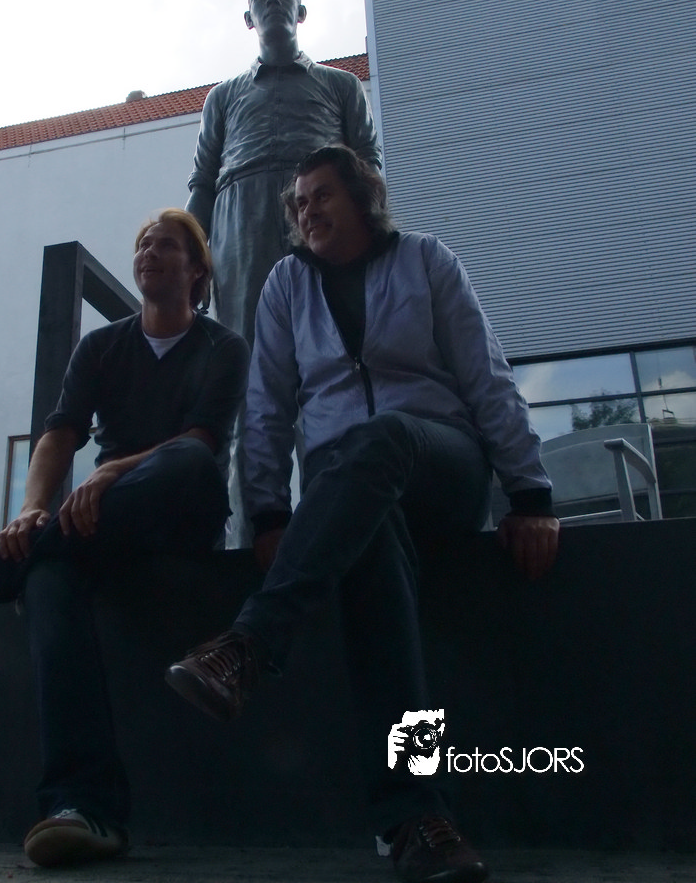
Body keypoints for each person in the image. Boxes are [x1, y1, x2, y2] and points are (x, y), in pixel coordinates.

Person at [166, 147, 560, 883]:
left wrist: (529, 494)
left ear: (362, 197)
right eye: (299, 203)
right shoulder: (285, 284)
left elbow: (486, 375)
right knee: (371, 554)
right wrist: (268, 511)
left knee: (382, 436)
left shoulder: (426, 260)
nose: (307, 210)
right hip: (347, 495)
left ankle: (250, 643)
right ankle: (418, 819)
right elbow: (268, 405)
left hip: (438, 462)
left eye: (322, 195)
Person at [0, 210, 249, 869]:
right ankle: (82, 808)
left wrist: (112, 471)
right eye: (142, 244)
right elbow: (59, 434)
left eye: (165, 245)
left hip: (177, 512)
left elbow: (202, 441)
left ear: (197, 271)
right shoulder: (101, 348)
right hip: (97, 530)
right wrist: (32, 511)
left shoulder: (222, 347)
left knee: (190, 461)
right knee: (47, 578)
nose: (148, 252)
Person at [186, 0, 381, 542]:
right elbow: (203, 180)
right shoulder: (223, 97)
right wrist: (194, 259)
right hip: (240, 226)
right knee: (249, 382)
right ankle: (252, 539)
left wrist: (372, 246)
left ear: (301, 12)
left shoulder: (341, 86)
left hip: (319, 224)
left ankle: (330, 537)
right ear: (249, 19)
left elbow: (368, 166)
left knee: (332, 370)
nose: (273, 4)